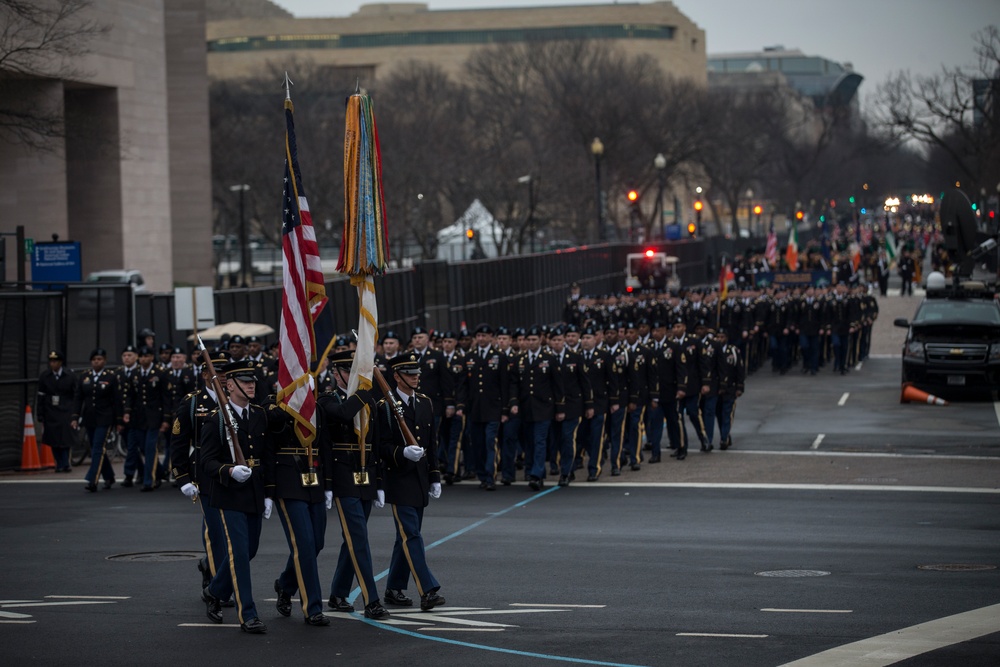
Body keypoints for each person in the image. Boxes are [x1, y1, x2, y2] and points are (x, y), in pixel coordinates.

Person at [318, 350, 391, 621]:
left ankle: (337, 592)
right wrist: (363, 390)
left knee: (353, 538)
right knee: (358, 536)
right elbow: (343, 414)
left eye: (358, 370)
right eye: (349, 371)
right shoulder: (327, 399)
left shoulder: (369, 398)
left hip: (366, 472)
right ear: (336, 373)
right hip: (342, 473)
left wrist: (380, 480)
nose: (355, 376)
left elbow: (377, 439)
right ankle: (371, 599)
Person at [199, 359, 271, 635]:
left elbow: (267, 456)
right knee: (239, 554)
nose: (252, 384)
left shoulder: (259, 415)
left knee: (249, 551)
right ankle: (248, 614)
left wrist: (269, 494)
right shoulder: (217, 419)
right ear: (229, 385)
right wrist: (228, 470)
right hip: (229, 494)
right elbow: (206, 462)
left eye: (253, 380)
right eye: (245, 381)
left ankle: (215, 591)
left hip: (254, 491)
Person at [375, 352, 446, 612]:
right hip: (398, 477)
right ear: (396, 376)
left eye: (417, 374)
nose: (416, 378)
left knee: (404, 537)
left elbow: (432, 442)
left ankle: (394, 588)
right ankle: (427, 588)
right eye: (410, 374)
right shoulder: (384, 405)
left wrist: (435, 475)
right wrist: (401, 452)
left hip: (419, 478)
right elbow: (380, 445)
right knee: (412, 535)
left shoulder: (425, 403)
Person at [266, 389, 333, 627]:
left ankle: (285, 584)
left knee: (316, 543)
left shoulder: (316, 404)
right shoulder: (273, 404)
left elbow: (324, 444)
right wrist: (270, 489)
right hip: (288, 480)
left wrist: (328, 485)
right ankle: (312, 607)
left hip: (314, 477)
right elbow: (270, 437)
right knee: (303, 544)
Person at [169, 352, 228, 596]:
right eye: (218, 372)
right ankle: (218, 584)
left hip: (234, 471)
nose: (223, 378)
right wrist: (182, 477)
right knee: (214, 530)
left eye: (226, 373)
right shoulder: (193, 402)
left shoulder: (236, 398)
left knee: (231, 532)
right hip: (204, 472)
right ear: (205, 374)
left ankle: (210, 566)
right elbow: (179, 441)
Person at [514, 326, 561, 490]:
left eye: (534, 339)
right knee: (530, 442)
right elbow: (515, 384)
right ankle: (534, 471)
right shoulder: (520, 359)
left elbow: (557, 385)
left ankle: (536, 473)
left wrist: (559, 407)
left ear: (540, 340)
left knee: (540, 441)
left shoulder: (548, 358)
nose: (532, 342)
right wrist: (514, 403)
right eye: (529, 340)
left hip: (544, 407)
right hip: (526, 408)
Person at [125, 346, 170, 491]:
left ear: (151, 357)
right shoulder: (135, 373)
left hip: (154, 417)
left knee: (150, 448)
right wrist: (127, 412)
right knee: (143, 448)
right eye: (142, 356)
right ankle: (160, 472)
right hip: (139, 417)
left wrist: (166, 419)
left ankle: (148, 480)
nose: (144, 359)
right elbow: (130, 396)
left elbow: (165, 398)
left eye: (147, 356)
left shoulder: (160, 373)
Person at [36, 351, 81, 473]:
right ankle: (59, 463)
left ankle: (65, 462)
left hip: (66, 409)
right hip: (51, 410)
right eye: (51, 361)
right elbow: (41, 395)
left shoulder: (70, 376)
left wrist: (76, 412)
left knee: (65, 437)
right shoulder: (45, 376)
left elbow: (76, 395)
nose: (52, 364)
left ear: (60, 362)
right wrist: (40, 412)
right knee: (53, 438)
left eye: (55, 361)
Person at [80, 348, 117, 491]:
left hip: (105, 418)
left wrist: (118, 419)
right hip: (90, 418)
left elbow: (116, 399)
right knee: (97, 448)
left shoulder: (110, 377)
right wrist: (75, 416)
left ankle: (92, 479)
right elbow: (79, 397)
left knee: (97, 447)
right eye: (94, 359)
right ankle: (109, 476)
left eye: (100, 359)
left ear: (105, 361)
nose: (97, 362)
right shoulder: (84, 377)